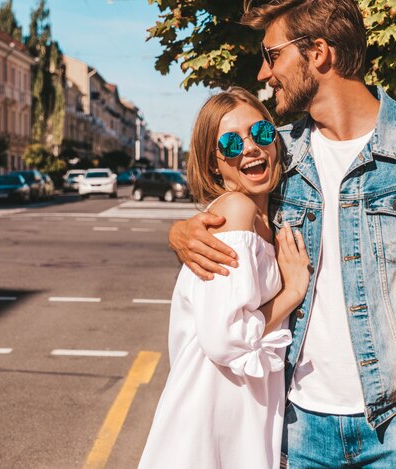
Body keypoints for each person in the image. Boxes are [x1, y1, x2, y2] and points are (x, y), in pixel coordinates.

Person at [168, 0, 396, 467]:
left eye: (271, 56)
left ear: (318, 53)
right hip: (298, 431)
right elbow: (228, 209)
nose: (264, 75)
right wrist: (181, 231)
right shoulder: (277, 151)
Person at [139, 87, 311, 469]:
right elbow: (225, 338)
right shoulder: (235, 209)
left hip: (237, 417)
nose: (250, 148)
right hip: (207, 426)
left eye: (262, 133)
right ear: (214, 163)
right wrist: (293, 290)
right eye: (231, 143)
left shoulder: (264, 216)